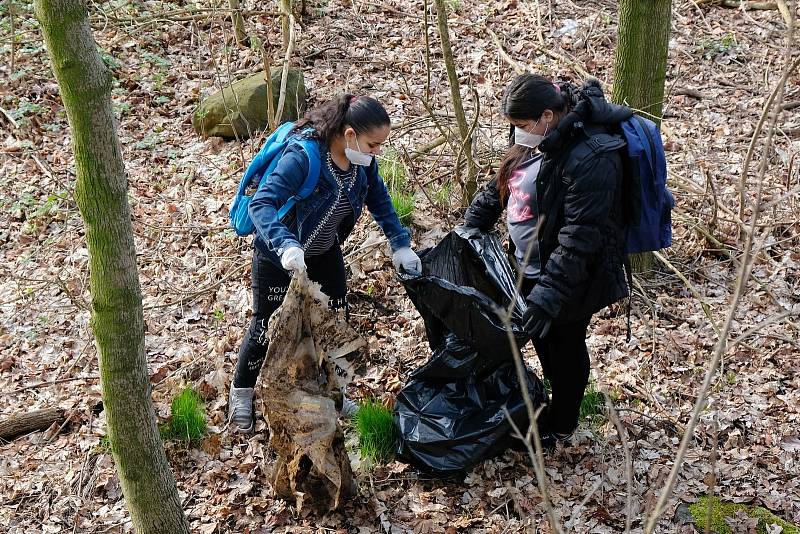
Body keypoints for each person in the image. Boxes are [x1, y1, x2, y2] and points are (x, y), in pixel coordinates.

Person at [229, 94, 422, 433]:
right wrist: (285, 244)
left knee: (333, 321)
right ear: (349, 135)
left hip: (323, 253)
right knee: (266, 324)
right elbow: (262, 203)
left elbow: (379, 198)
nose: (376, 152)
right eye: (373, 144)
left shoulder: (361, 162)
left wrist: (400, 243)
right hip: (278, 256)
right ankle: (242, 392)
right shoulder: (303, 158)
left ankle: (333, 392)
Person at [463, 74, 631, 447]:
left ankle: (564, 421)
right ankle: (552, 402)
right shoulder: (535, 139)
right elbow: (502, 185)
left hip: (573, 277)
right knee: (542, 341)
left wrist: (547, 296)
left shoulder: (593, 155)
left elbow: (580, 237)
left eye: (522, 126)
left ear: (547, 116)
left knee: (566, 346)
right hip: (526, 268)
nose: (518, 134)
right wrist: (470, 227)